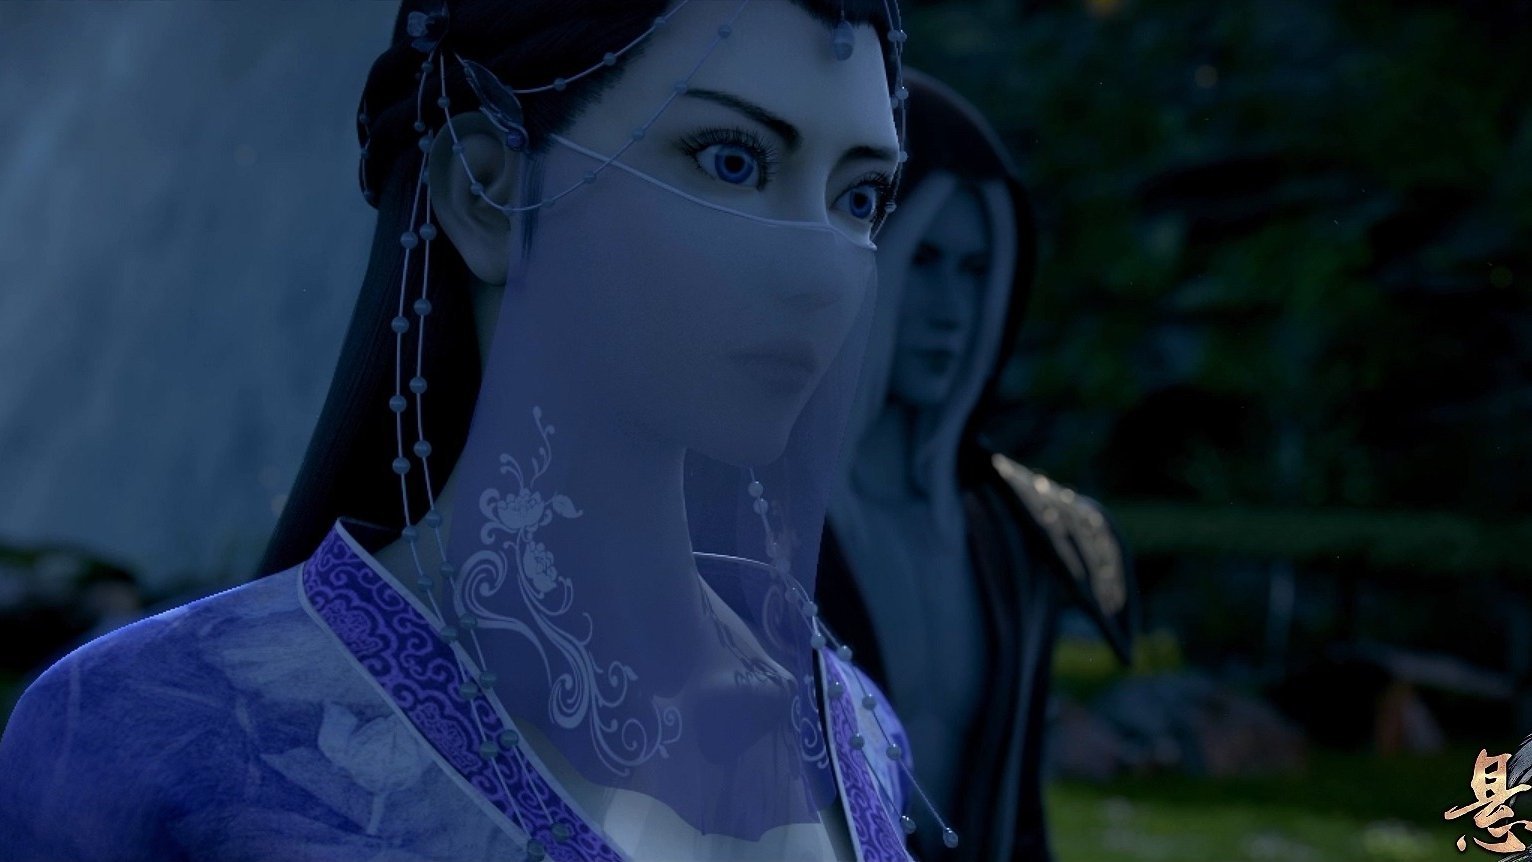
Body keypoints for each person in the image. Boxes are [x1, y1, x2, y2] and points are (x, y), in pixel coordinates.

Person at [0, 2, 954, 859]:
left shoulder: (853, 730)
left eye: (859, 198)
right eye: (731, 161)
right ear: (486, 190)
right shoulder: (158, 731)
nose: (818, 274)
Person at [819, 71, 1138, 862]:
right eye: (923, 258)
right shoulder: (751, 514)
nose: (952, 309)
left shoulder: (1024, 531)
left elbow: (1019, 815)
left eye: (975, 269)